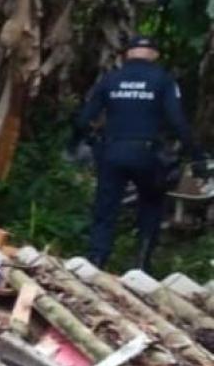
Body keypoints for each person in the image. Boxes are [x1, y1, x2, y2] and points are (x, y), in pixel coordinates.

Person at [71, 35, 201, 272]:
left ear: (127, 54)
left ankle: (97, 260)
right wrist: (196, 155)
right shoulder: (164, 80)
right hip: (147, 153)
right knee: (151, 204)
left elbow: (83, 119)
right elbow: (177, 121)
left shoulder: (111, 79)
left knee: (105, 206)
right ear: (154, 55)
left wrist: (88, 142)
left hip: (112, 151)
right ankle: (141, 264)